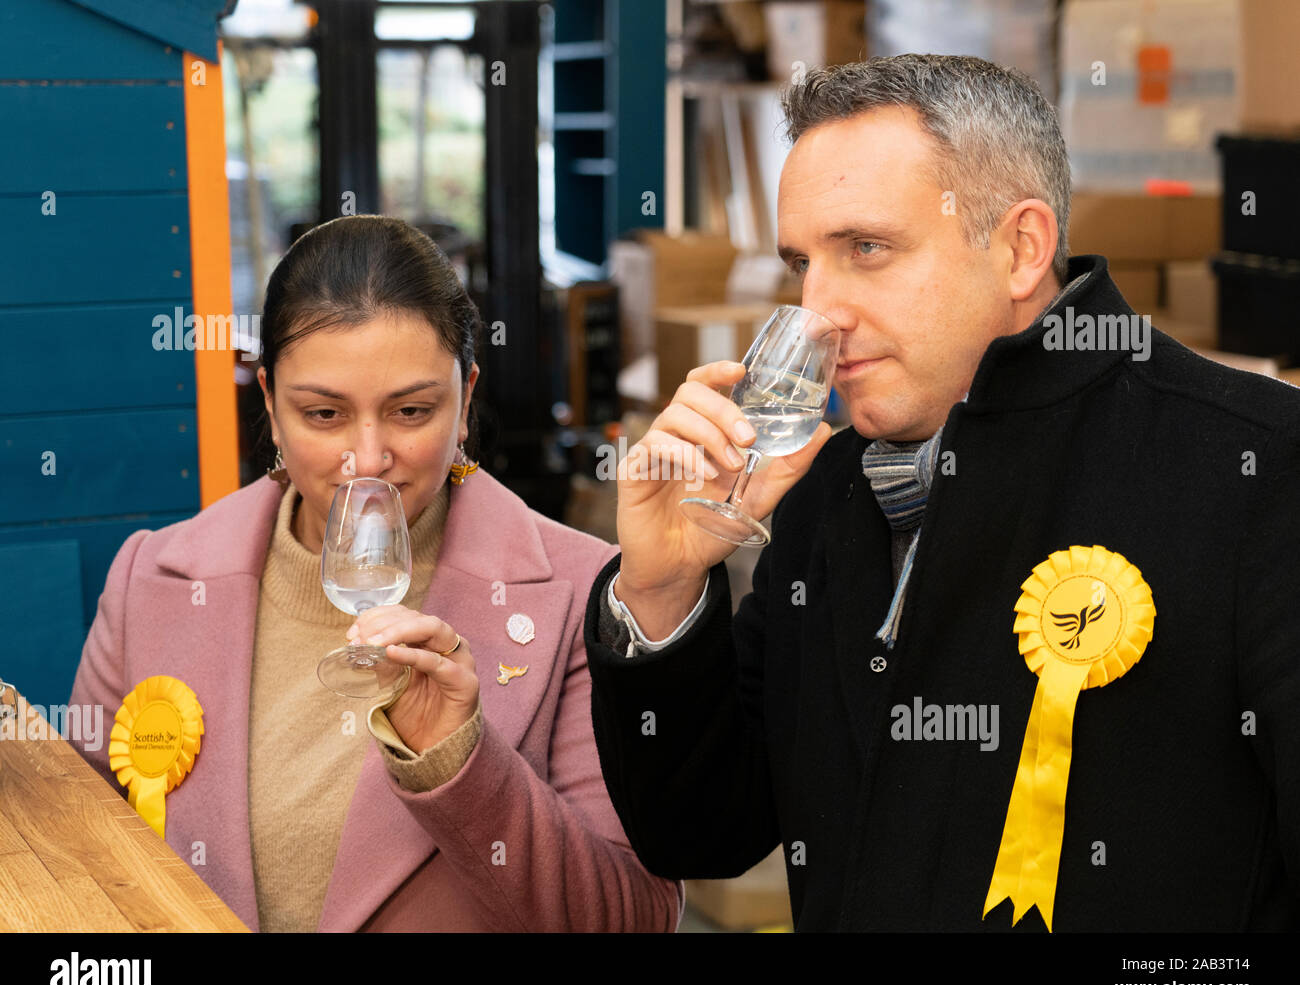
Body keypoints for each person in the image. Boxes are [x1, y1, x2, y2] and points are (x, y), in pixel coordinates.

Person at [584, 55, 1300, 931]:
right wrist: (659, 592)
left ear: (1020, 248)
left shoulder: (1260, 471)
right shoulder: (821, 492)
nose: (820, 309)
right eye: (802, 262)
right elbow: (704, 835)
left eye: (867, 249)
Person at [71, 215, 681, 933]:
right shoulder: (151, 580)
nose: (367, 458)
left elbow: (632, 919)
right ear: (268, 403)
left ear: (465, 401)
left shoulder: (586, 594)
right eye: (324, 413)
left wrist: (459, 763)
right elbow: (82, 865)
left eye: (411, 410)